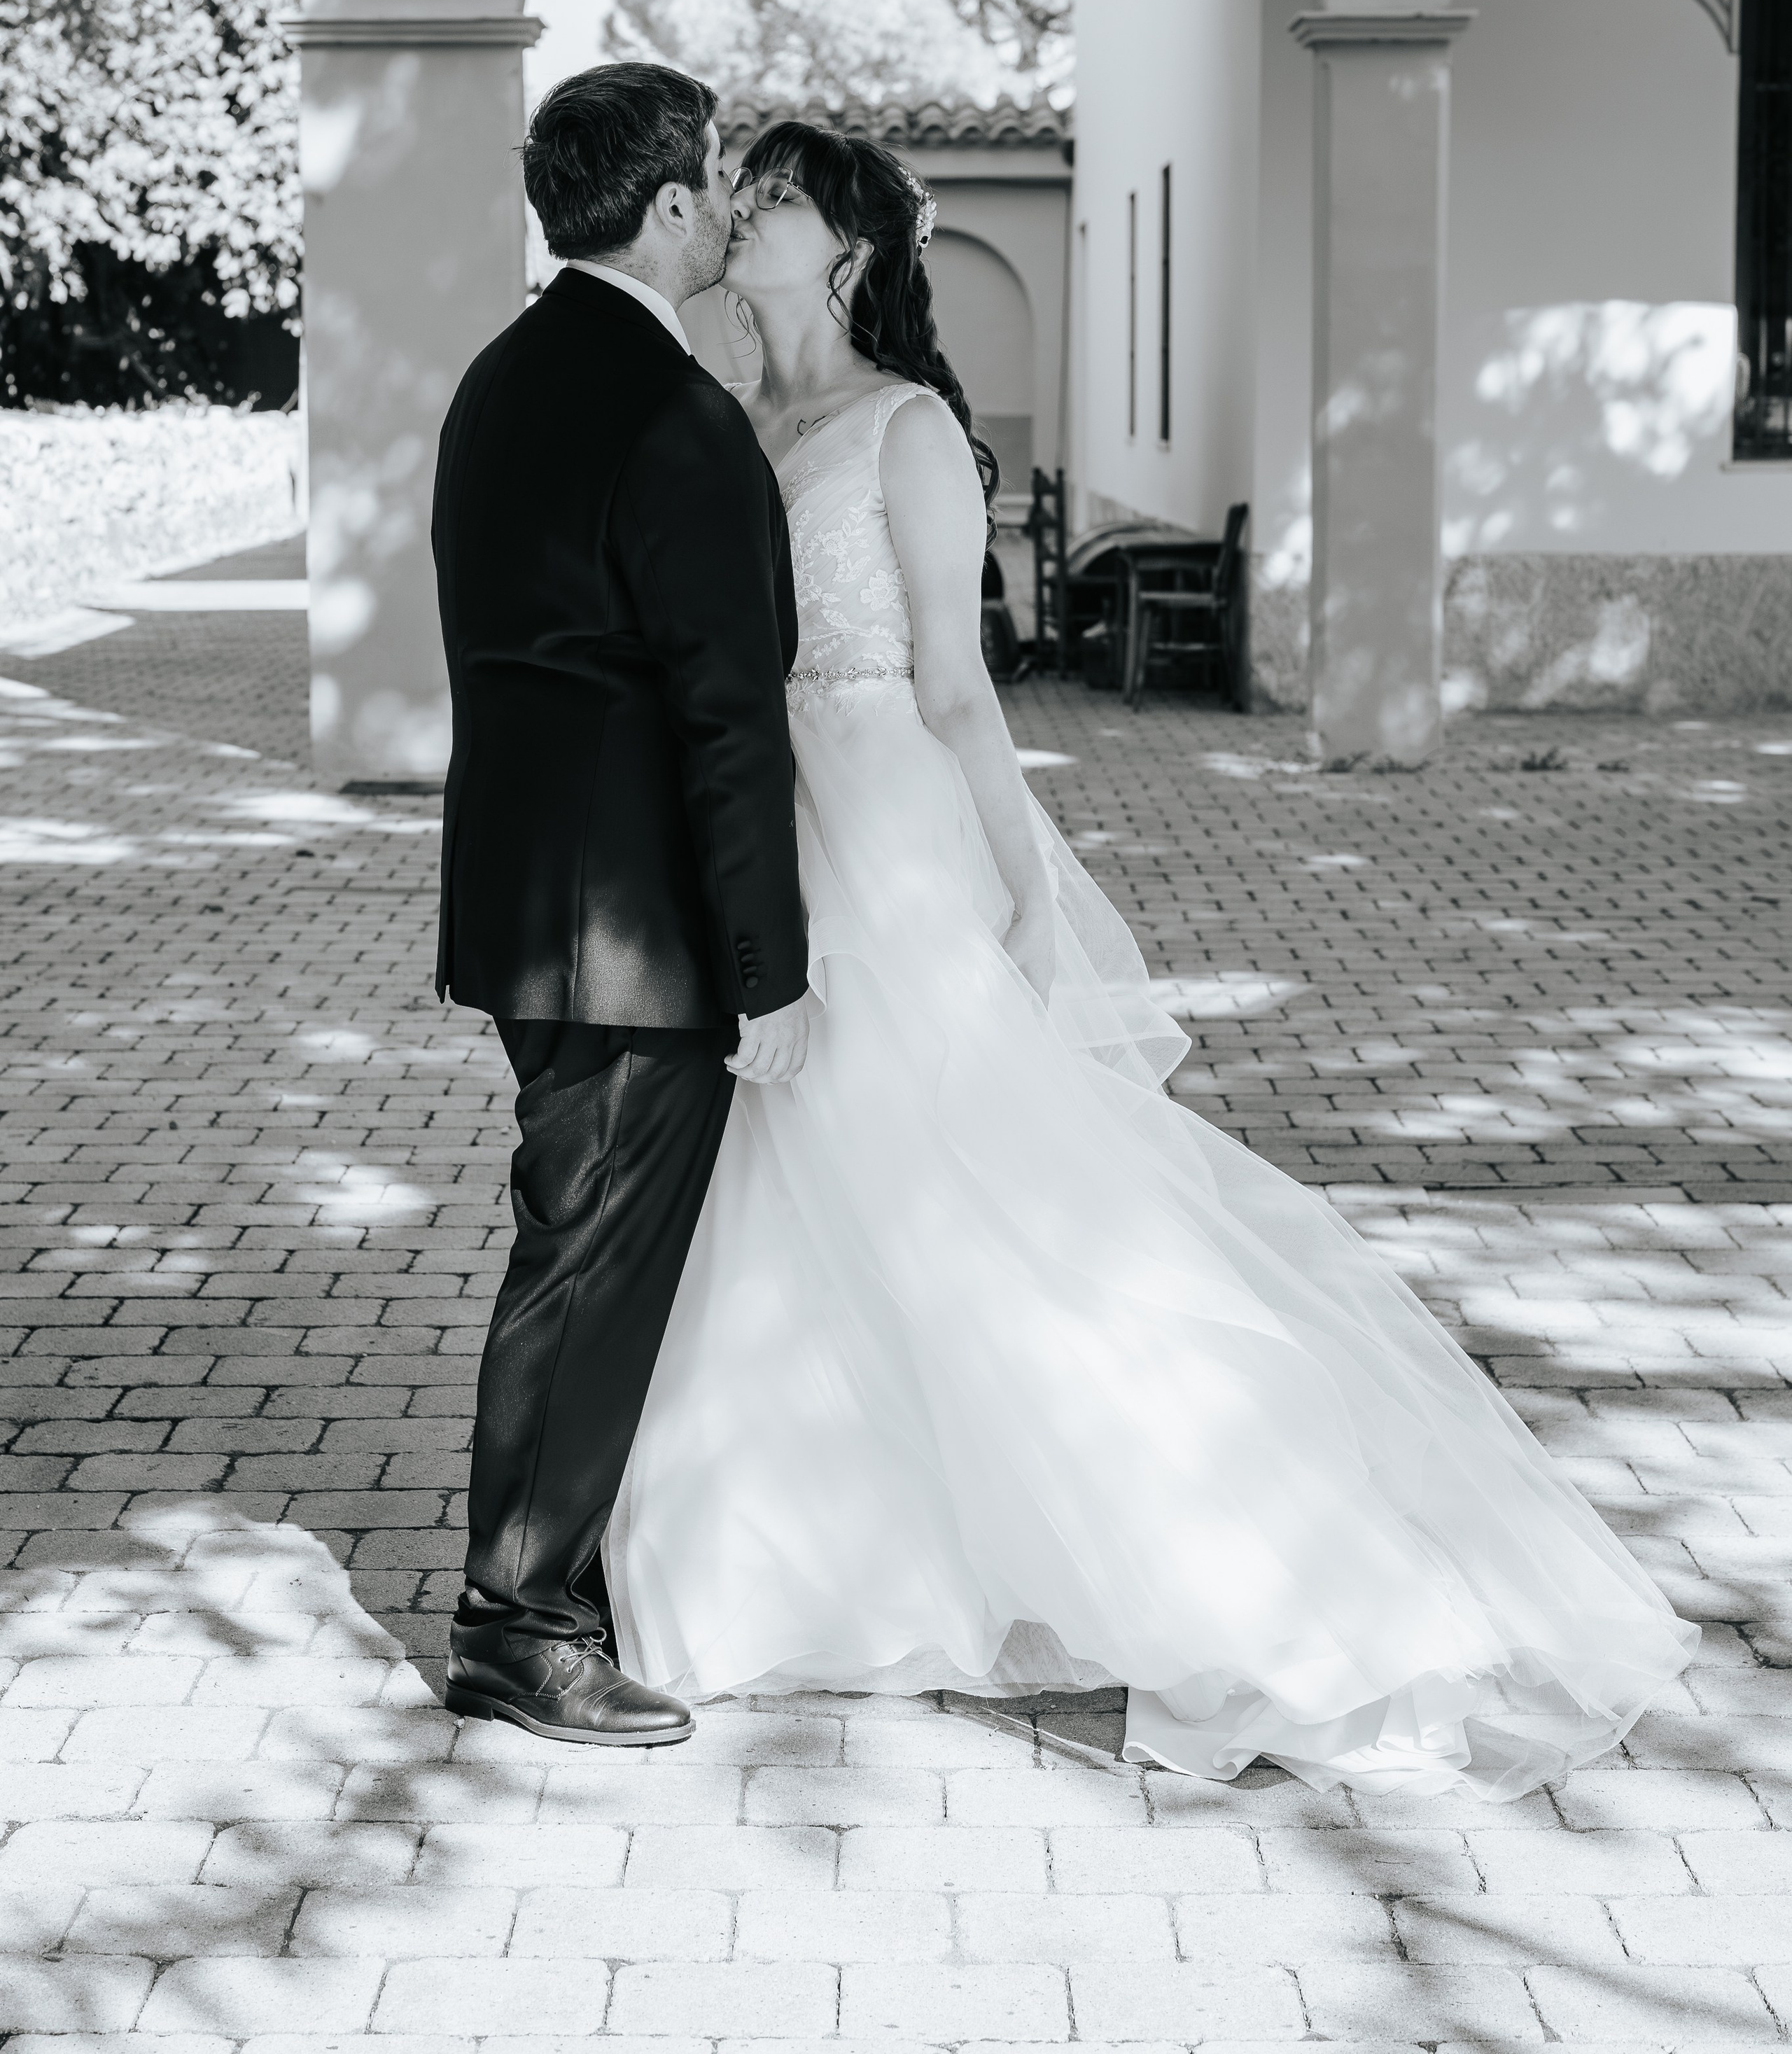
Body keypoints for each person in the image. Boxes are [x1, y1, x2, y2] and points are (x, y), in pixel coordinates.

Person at [601, 119, 1698, 1798]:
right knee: (790, 1185)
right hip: (754, 836)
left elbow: (956, 689)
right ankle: (811, 1558)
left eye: (777, 199)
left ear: (848, 250)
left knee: (959, 1190)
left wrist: (1022, 888)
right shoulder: (728, 418)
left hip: (880, 834)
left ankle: (1238, 1569)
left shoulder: (905, 431)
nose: (741, 212)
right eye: (737, 192)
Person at [430, 63, 811, 1747]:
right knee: (584, 1266)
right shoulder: (675, 415)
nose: (728, 204)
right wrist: (768, 968)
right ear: (665, 206)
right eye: (716, 178)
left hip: (525, 904)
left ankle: (554, 1588)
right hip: (638, 937)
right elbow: (730, 718)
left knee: (570, 1243)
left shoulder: (498, 381)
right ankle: (517, 1623)